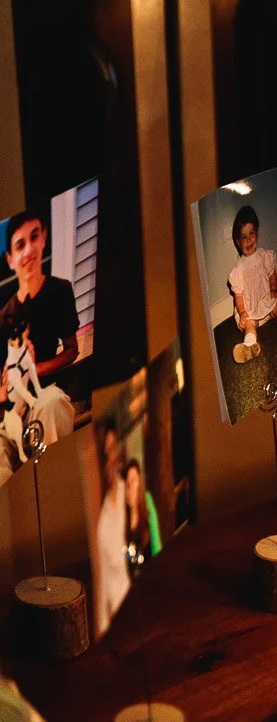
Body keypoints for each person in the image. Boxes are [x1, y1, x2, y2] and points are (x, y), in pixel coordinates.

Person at [0, 210, 78, 461]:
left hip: (43, 395)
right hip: (9, 412)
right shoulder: (5, 315)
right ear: (10, 259)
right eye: (19, 245)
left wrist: (35, 368)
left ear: (44, 238)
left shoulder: (60, 291)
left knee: (53, 403)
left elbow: (72, 349)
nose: (29, 251)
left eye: (34, 237)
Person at [228, 205, 277, 364]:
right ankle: (250, 345)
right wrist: (242, 312)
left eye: (252, 234)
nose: (249, 240)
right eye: (244, 236)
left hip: (265, 300)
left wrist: (273, 289)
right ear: (238, 242)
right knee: (250, 324)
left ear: (257, 234)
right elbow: (238, 295)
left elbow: (271, 273)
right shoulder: (238, 269)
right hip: (250, 307)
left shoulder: (264, 256)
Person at [94, 423, 132, 637]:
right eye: (106, 450)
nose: (111, 456)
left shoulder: (126, 488)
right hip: (109, 603)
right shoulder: (103, 501)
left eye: (113, 447)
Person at [124, 459, 162, 568]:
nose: (131, 485)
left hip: (150, 571)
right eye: (128, 482)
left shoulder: (147, 502)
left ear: (139, 482)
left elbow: (156, 544)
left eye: (134, 480)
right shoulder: (121, 514)